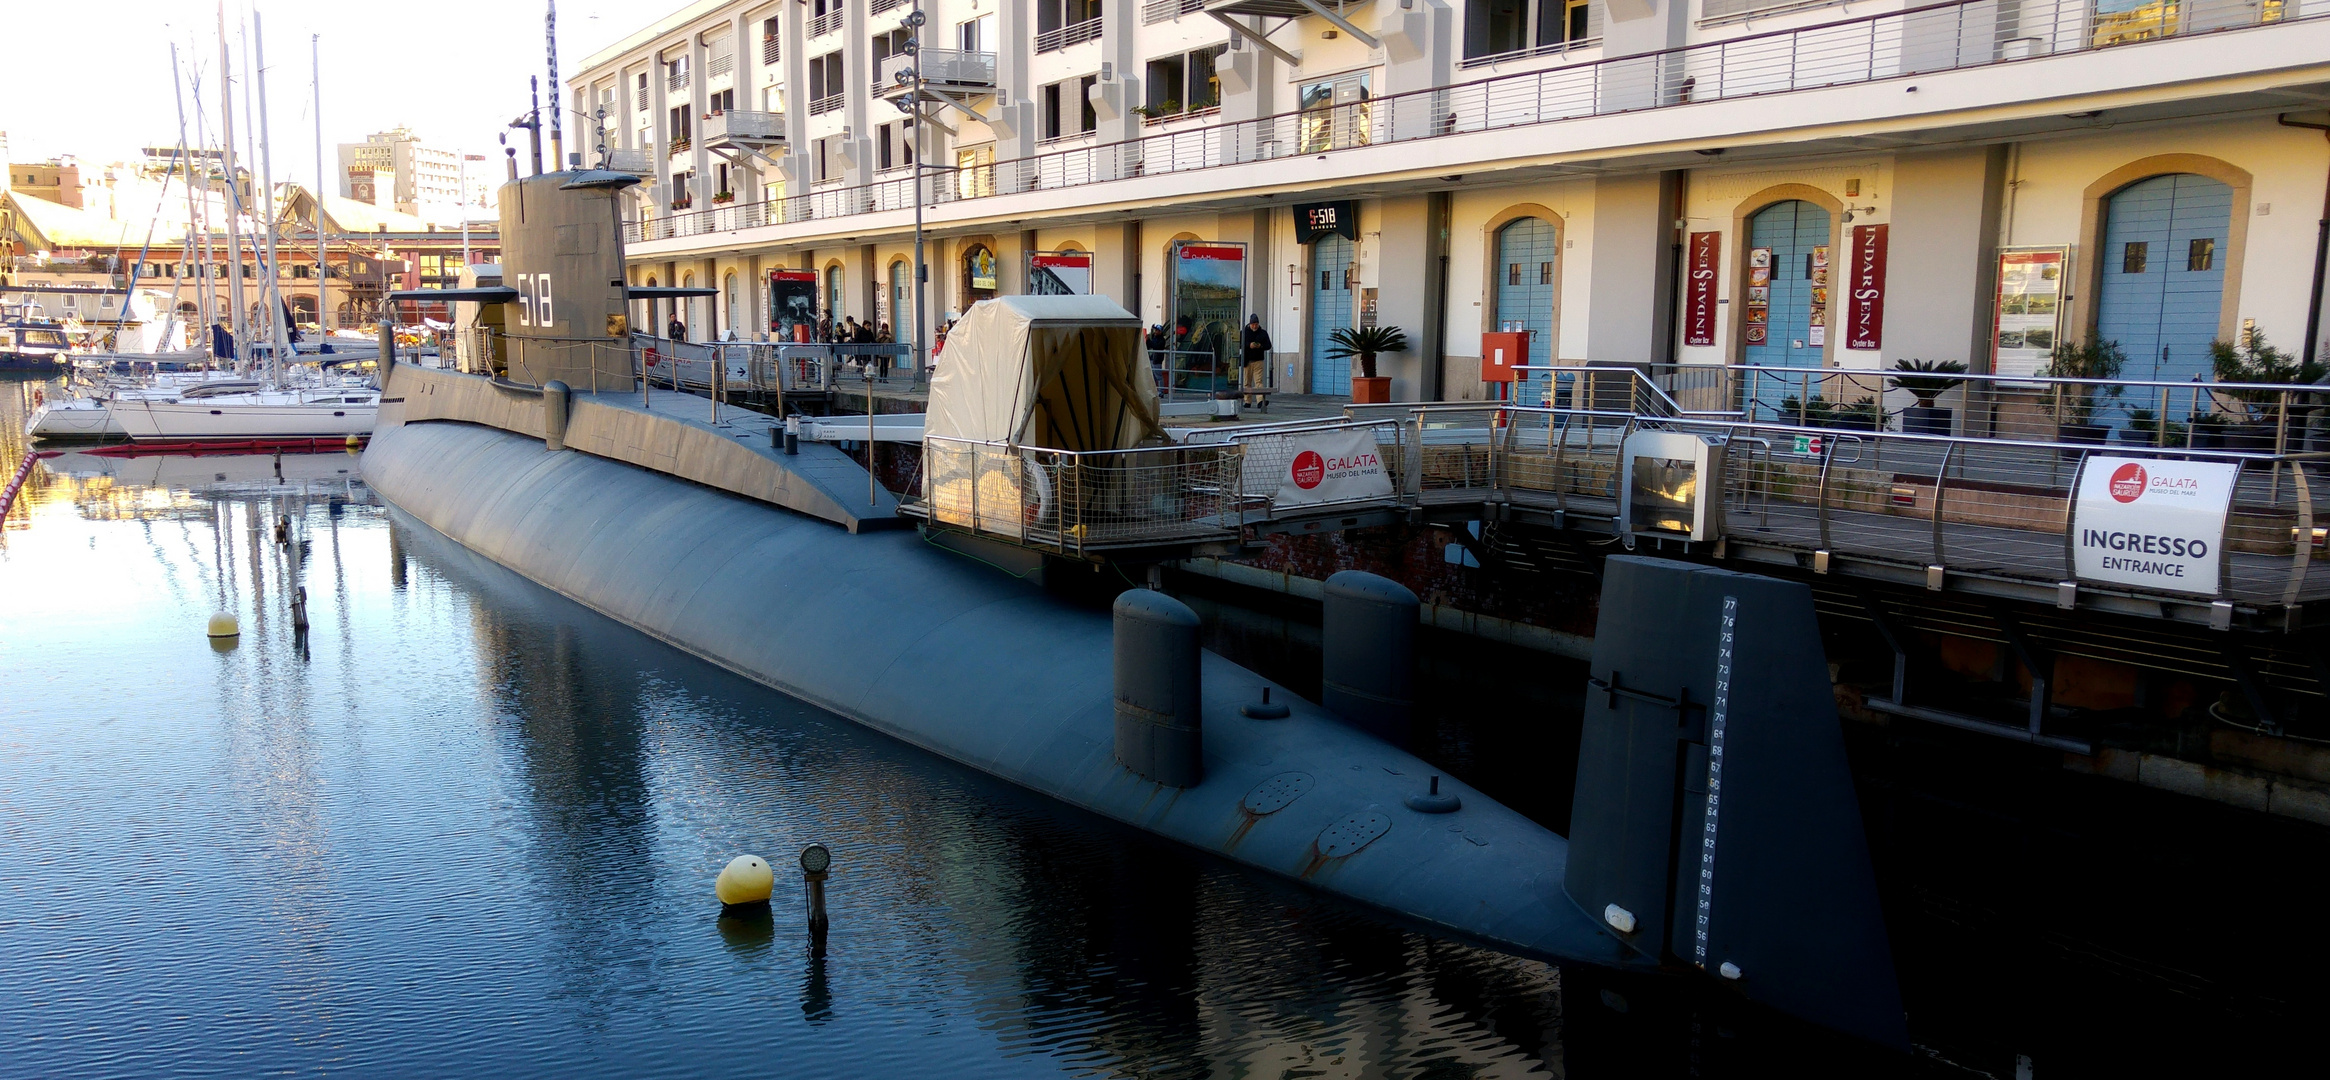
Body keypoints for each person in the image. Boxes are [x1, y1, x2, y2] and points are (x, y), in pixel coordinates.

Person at [1240, 314, 1272, 395]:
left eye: (1256, 324)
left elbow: (1268, 345)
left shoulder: (1263, 333)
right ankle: (1247, 401)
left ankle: (1260, 400)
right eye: (1253, 324)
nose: (1255, 326)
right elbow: (1239, 344)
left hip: (1258, 360)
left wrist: (1260, 346)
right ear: (1250, 324)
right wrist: (1249, 345)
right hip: (1247, 360)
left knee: (1258, 381)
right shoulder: (1243, 333)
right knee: (1247, 382)